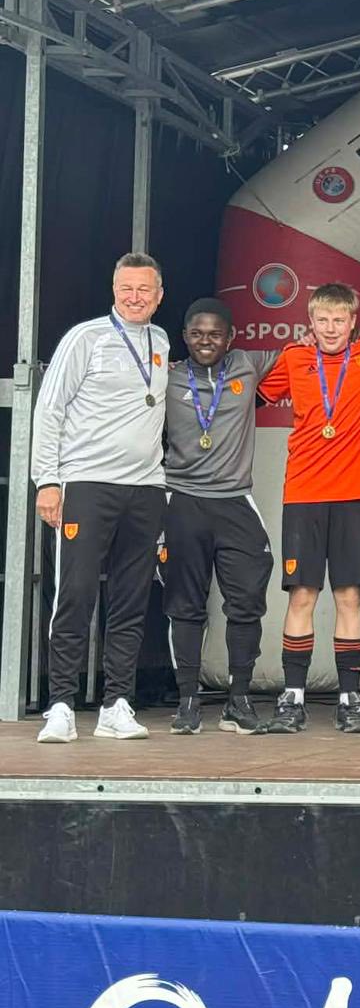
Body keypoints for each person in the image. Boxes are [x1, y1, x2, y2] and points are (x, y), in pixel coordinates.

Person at [33, 252, 170, 744]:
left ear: (159, 296)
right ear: (114, 290)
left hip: (146, 488)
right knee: (74, 594)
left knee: (131, 600)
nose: (134, 298)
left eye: (144, 290)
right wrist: (47, 481)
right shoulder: (85, 338)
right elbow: (50, 409)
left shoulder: (160, 340)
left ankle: (117, 704)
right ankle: (61, 705)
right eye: (126, 288)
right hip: (87, 484)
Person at [256, 282, 360, 734]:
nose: (331, 328)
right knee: (302, 595)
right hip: (303, 494)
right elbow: (252, 395)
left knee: (349, 596)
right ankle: (292, 697)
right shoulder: (295, 357)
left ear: (354, 322)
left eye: (339, 320)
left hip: (354, 496)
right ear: (310, 323)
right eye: (323, 320)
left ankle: (350, 698)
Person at [159, 298, 277, 735]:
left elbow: (311, 346)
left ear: (231, 337)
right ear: (184, 337)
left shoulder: (249, 364)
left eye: (214, 334)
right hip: (182, 500)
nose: (205, 341)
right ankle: (188, 701)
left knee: (246, 604)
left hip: (235, 502)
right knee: (185, 606)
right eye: (196, 333)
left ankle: (238, 700)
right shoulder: (167, 375)